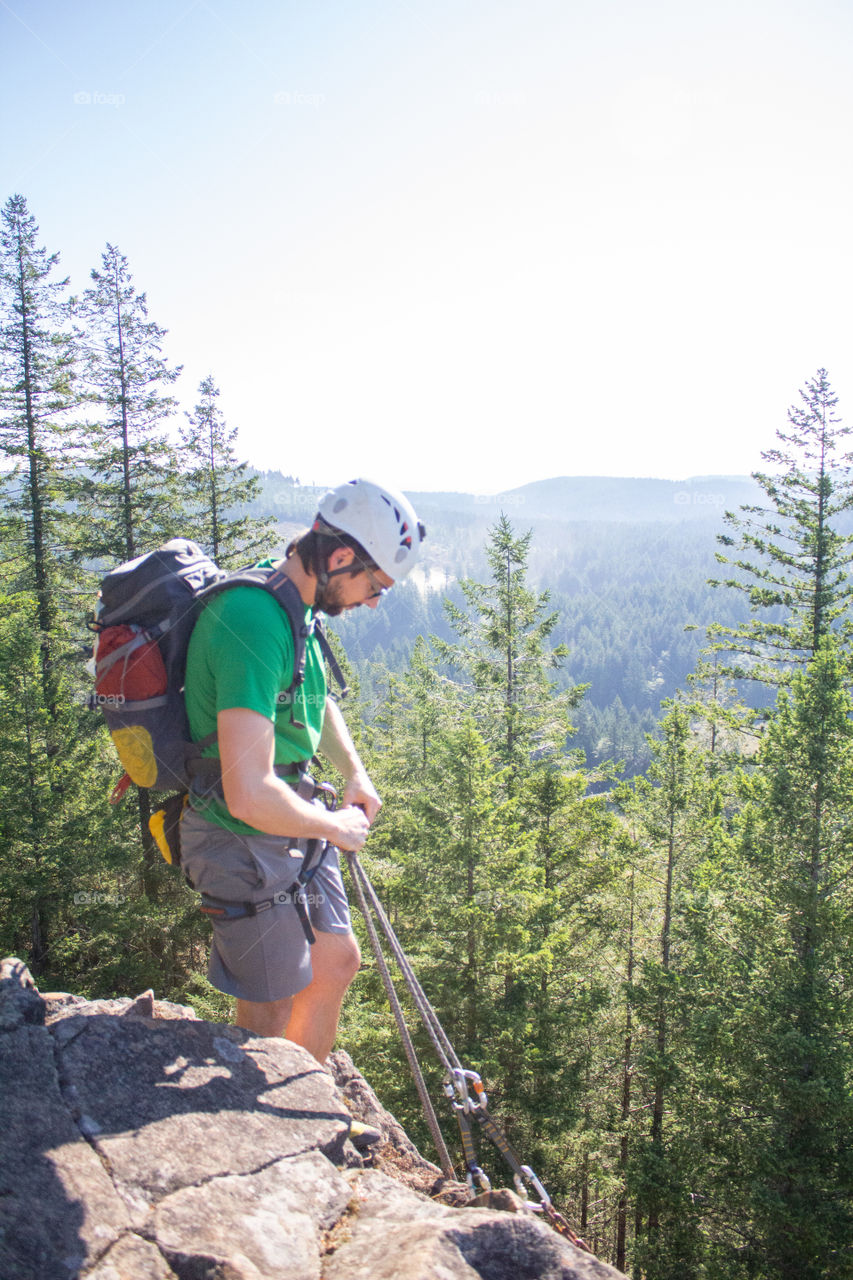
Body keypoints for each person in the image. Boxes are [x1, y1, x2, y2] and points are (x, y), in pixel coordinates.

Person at [179, 478, 425, 1063]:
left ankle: (303, 1092)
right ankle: (259, 1113)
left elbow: (311, 694)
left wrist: (355, 772)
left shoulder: (294, 599)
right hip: (237, 832)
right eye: (375, 585)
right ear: (341, 557)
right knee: (269, 996)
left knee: (335, 961)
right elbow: (247, 792)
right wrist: (334, 827)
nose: (372, 602)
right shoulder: (253, 619)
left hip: (294, 812)